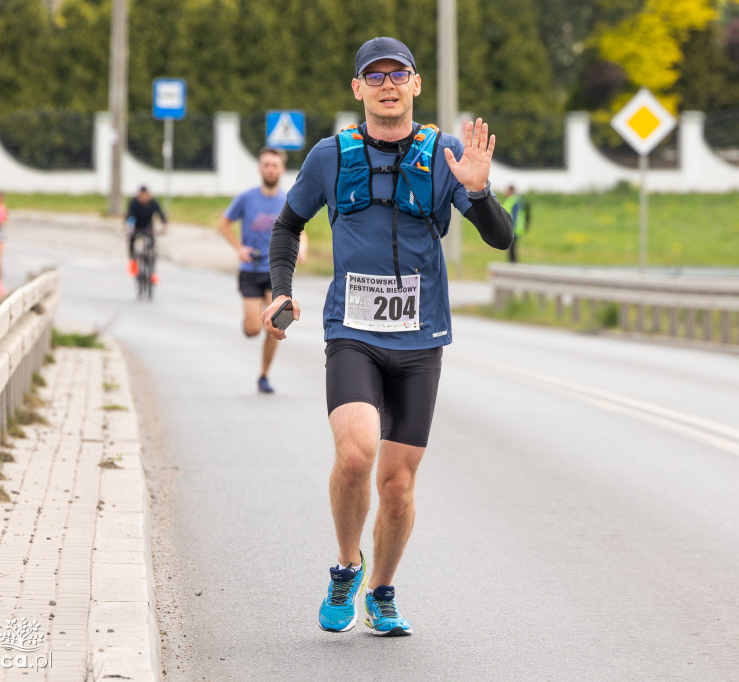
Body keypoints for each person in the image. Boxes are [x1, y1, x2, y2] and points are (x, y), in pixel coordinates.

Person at [262, 37, 513, 636]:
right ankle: (347, 567)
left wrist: (476, 191)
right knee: (356, 454)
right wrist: (280, 287)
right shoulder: (330, 156)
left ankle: (381, 590)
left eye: (397, 74)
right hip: (352, 331)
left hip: (421, 339)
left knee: (397, 484)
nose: (387, 85)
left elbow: (499, 238)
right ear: (358, 90)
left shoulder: (445, 154)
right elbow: (287, 223)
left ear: (415, 84)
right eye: (373, 77)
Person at [218, 147, 308, 394]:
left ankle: (264, 375)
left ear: (281, 169)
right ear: (260, 168)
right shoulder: (246, 198)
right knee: (253, 329)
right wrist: (239, 248)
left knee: (278, 324)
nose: (270, 169)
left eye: (274, 165)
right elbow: (224, 224)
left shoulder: (288, 200)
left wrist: (303, 248)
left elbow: (300, 229)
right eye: (266, 165)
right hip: (250, 268)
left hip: (275, 271)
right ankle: (252, 319)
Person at [125, 185, 168, 281]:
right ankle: (133, 261)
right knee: (132, 240)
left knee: (152, 246)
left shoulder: (153, 203)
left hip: (148, 227)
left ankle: (152, 270)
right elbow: (130, 216)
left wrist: (164, 225)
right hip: (136, 226)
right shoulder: (134, 203)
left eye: (146, 195)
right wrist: (129, 227)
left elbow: (160, 213)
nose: (144, 198)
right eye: (142, 195)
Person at [502, 185, 530, 263]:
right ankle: (512, 262)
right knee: (511, 247)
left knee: (512, 247)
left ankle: (513, 263)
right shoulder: (513, 200)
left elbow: (514, 216)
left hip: (514, 228)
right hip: (513, 228)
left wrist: (510, 227)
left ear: (511, 191)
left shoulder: (514, 201)